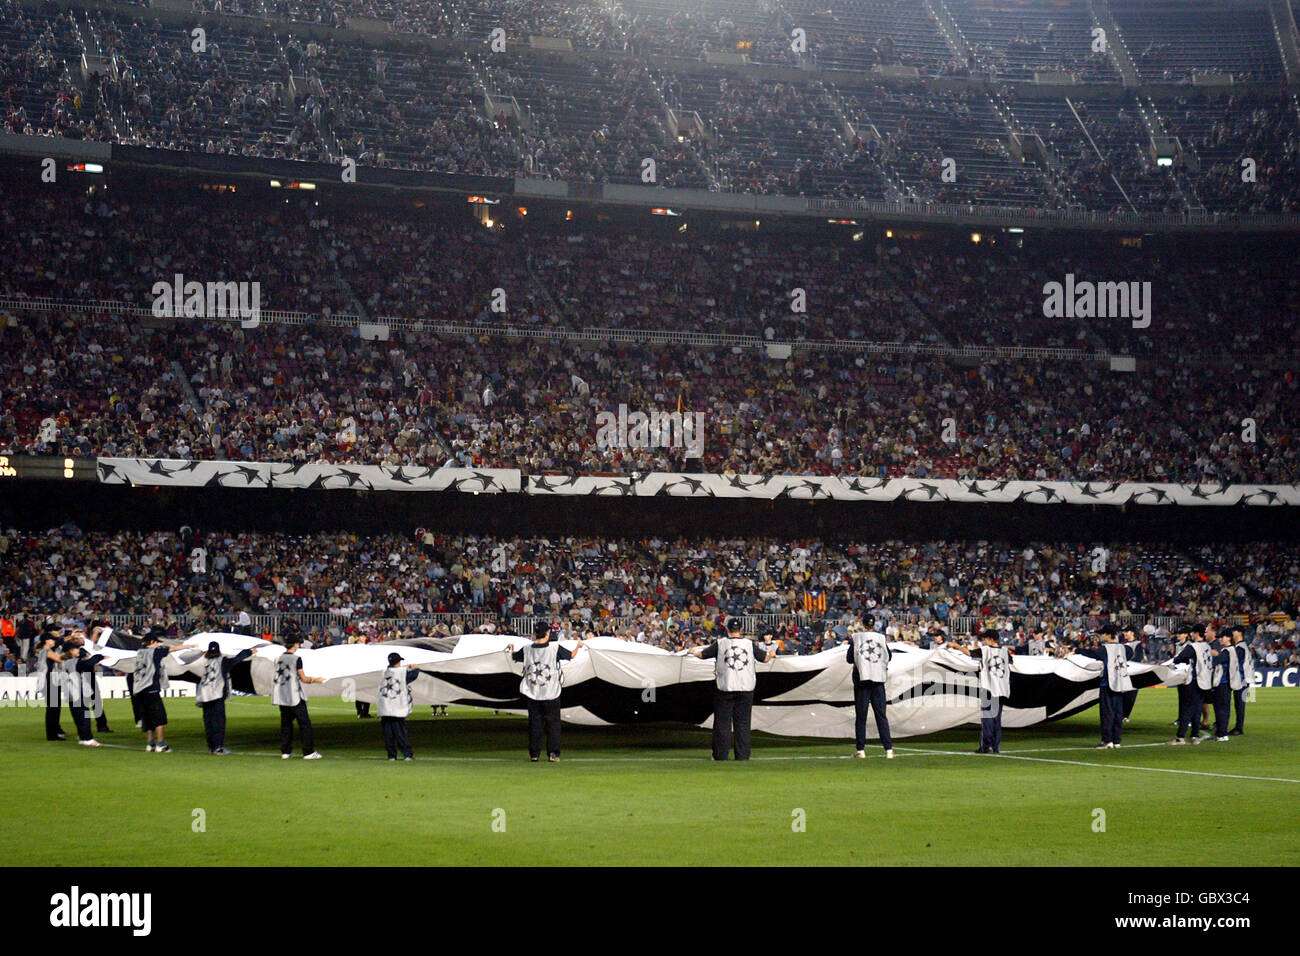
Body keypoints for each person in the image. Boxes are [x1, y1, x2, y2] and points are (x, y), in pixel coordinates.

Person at [690, 618, 775, 762]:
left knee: (722, 723)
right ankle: (742, 755)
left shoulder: (721, 643)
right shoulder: (749, 644)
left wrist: (693, 651)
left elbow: (702, 655)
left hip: (725, 687)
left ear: (727, 630)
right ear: (741, 630)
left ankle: (720, 755)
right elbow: (765, 659)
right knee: (743, 724)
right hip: (746, 688)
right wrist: (771, 654)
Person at [509, 621, 585, 762]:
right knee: (553, 724)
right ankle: (553, 754)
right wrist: (578, 646)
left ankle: (534, 754)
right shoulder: (554, 648)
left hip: (532, 692)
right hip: (551, 692)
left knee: (534, 724)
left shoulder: (527, 649)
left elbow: (514, 657)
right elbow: (571, 656)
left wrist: (512, 648)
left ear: (535, 634)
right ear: (548, 633)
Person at [1074, 624, 1137, 748]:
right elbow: (1130, 654)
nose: (1102, 636)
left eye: (1103, 634)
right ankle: (1117, 740)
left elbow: (1091, 653)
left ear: (1109, 635)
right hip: (1121, 684)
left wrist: (1076, 650)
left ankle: (1107, 740)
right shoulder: (1125, 648)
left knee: (1107, 712)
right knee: (1118, 713)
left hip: (1107, 684)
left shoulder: (1105, 649)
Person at [134, 634, 195, 753]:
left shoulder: (140, 653)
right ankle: (160, 744)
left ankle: (150, 744)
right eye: (156, 642)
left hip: (139, 690)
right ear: (152, 641)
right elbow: (173, 649)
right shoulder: (154, 652)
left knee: (147, 718)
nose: (158, 644)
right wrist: (190, 645)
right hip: (151, 688)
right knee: (159, 718)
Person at [953, 628, 1010, 754]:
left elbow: (969, 653)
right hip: (1002, 690)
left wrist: (956, 646)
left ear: (990, 639)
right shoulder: (1005, 652)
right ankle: (995, 747)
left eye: (984, 639)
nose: (983, 641)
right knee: (996, 719)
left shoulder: (985, 650)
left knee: (987, 719)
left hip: (989, 688)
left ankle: (986, 746)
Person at [195, 640, 258, 754]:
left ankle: (211, 747)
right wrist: (249, 652)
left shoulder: (206, 662)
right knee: (218, 722)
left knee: (208, 722)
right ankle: (219, 747)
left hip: (204, 695)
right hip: (216, 694)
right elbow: (236, 660)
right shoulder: (222, 661)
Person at [845, 621, 894, 759]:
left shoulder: (856, 637)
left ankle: (861, 750)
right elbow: (888, 656)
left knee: (861, 716)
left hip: (862, 680)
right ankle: (888, 750)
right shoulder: (881, 638)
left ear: (863, 625)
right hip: (878, 680)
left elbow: (849, 659)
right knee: (881, 715)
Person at [273, 637, 325, 759]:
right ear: (295, 645)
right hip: (294, 695)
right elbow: (304, 678)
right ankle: (308, 751)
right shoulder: (296, 659)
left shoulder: (277, 658)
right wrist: (317, 680)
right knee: (305, 724)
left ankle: (285, 751)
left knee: (286, 724)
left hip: (281, 695)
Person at [1168, 624, 1212, 745]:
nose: (1191, 634)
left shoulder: (1194, 646)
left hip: (1194, 680)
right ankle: (1195, 735)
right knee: (1197, 709)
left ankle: (1180, 736)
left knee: (1186, 708)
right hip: (1205, 681)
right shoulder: (1207, 646)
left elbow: (1179, 658)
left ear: (1196, 633)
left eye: (1193, 632)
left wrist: (1173, 662)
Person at [61, 634, 106, 747]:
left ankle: (82, 737)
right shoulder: (73, 662)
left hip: (69, 693)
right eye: (77, 648)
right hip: (77, 692)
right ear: (71, 650)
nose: (78, 651)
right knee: (84, 716)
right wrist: (100, 657)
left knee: (77, 716)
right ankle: (87, 738)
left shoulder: (62, 662)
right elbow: (88, 663)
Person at [377, 652, 420, 761]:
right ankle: (407, 754)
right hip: (396, 708)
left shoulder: (384, 672)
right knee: (400, 733)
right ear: (398, 662)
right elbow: (413, 676)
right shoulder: (401, 672)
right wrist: (416, 668)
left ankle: (391, 755)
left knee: (388, 734)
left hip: (384, 708)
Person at [35, 632, 68, 741]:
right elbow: (60, 659)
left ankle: (54, 732)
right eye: (52, 639)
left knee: (54, 708)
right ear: (47, 641)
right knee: (53, 708)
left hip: (51, 681)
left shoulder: (45, 651)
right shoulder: (46, 651)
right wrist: (72, 653)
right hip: (49, 681)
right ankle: (52, 734)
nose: (54, 641)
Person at [1209, 632, 1234, 742]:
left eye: (1222, 637)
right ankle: (1221, 732)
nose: (1220, 640)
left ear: (1228, 638)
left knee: (1220, 709)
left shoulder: (1227, 652)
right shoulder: (1230, 650)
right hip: (1226, 683)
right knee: (1223, 709)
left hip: (1222, 683)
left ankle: (1222, 734)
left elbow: (1214, 661)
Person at [1228, 628, 1254, 735]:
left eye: (1234, 631)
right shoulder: (1244, 646)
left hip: (1242, 679)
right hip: (1246, 679)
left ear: (1239, 633)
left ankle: (1239, 728)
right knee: (1240, 703)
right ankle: (1239, 727)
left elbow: (1235, 662)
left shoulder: (1240, 648)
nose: (1232, 634)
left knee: (1239, 704)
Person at [1121, 627, 1145, 723]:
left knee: (1130, 696)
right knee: (1123, 695)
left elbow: (1138, 658)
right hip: (1125, 673)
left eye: (1127, 631)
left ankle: (1125, 715)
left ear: (1132, 632)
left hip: (1134, 673)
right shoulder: (1123, 645)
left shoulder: (1138, 644)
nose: (1125, 633)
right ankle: (1122, 715)